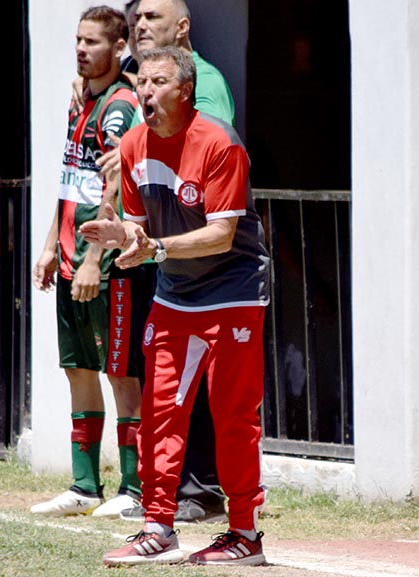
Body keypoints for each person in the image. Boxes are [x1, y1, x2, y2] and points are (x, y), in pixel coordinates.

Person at [81, 46, 269, 566]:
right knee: (161, 412)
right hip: (175, 294)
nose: (145, 91)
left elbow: (221, 234)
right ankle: (158, 526)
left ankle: (245, 534)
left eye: (158, 82)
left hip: (232, 290)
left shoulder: (219, 142)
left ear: (185, 90)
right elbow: (141, 228)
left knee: (233, 415)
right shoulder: (135, 144)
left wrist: (157, 248)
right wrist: (123, 235)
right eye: (142, 82)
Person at [30, 6, 142, 518]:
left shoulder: (118, 105)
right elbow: (70, 180)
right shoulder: (81, 101)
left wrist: (96, 256)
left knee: (121, 374)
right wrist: (53, 242)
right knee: (79, 369)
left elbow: (115, 183)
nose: (81, 49)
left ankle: (134, 489)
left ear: (119, 49)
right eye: (78, 40)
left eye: (93, 42)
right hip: (73, 258)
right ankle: (83, 485)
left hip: (108, 267)